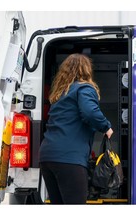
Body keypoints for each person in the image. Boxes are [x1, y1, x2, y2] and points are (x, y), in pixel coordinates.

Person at [39, 53, 113, 204]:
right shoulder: (85, 88)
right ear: (86, 70)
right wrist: (106, 127)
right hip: (69, 158)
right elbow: (90, 112)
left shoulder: (59, 94)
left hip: (47, 157)